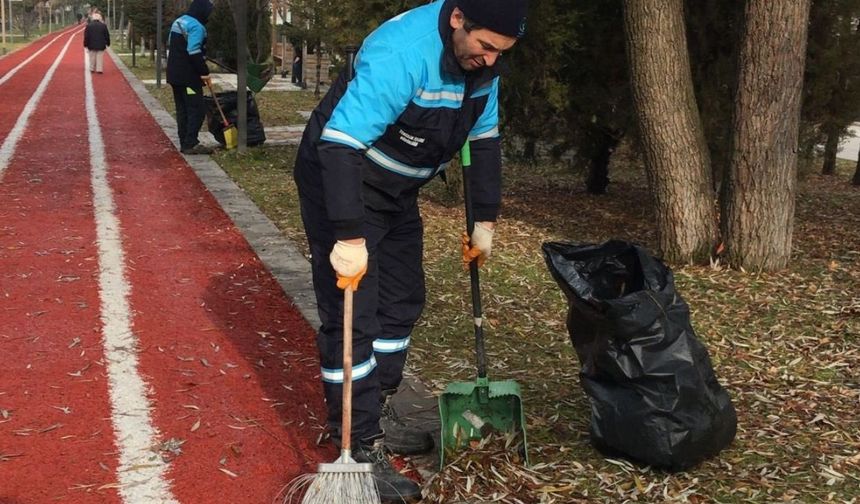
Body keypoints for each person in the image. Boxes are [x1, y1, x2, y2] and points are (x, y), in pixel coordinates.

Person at [293, 0, 527, 501]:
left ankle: (382, 406)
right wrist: (349, 236)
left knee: (402, 300)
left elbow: (483, 140)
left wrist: (483, 220)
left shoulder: (484, 66)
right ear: (459, 18)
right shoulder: (403, 53)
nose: (490, 61)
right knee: (353, 315)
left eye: (501, 54)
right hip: (343, 178)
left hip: (398, 188)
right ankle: (357, 438)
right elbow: (339, 144)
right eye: (486, 48)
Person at [166, 0, 215, 155]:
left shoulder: (179, 21)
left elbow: (171, 44)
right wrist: (204, 71)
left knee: (182, 109)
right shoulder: (197, 27)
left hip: (174, 75)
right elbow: (193, 51)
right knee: (196, 109)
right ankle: (191, 143)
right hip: (188, 78)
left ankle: (184, 141)